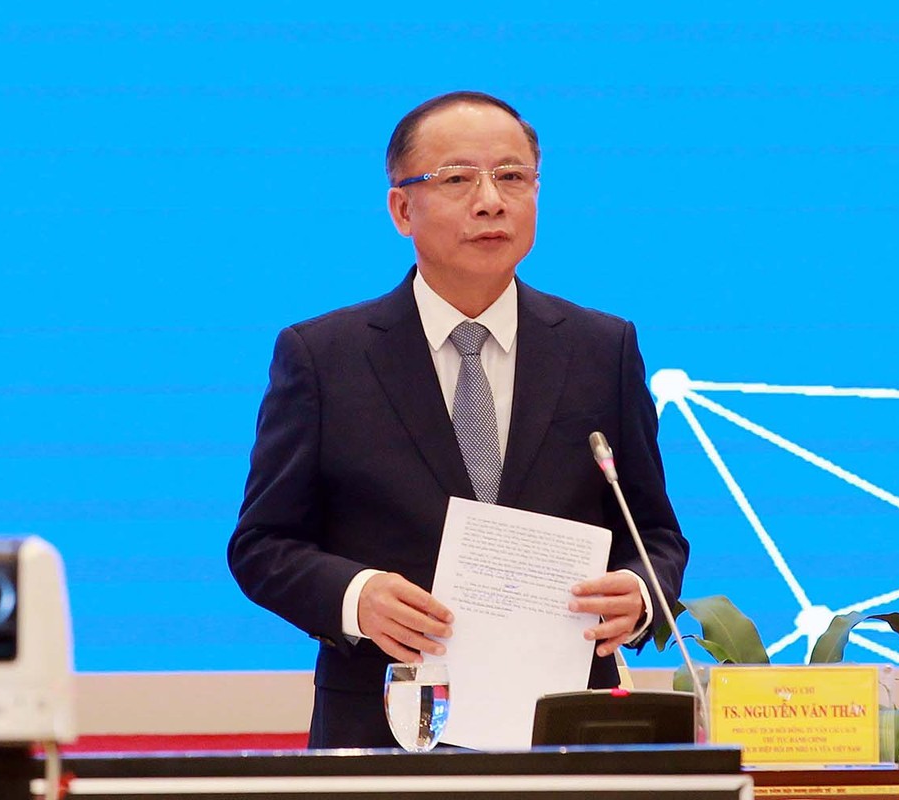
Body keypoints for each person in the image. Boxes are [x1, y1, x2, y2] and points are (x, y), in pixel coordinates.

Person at [228, 91, 688, 749]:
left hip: (565, 729)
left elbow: (655, 534)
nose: (491, 201)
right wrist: (357, 596)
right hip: (385, 727)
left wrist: (640, 594)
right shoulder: (323, 357)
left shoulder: (601, 348)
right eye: (457, 179)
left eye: (512, 176)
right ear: (401, 209)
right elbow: (262, 545)